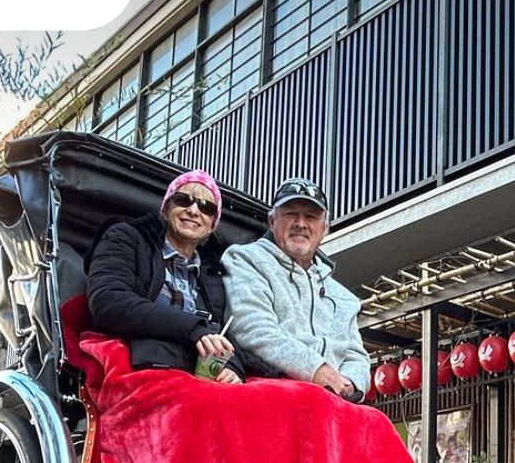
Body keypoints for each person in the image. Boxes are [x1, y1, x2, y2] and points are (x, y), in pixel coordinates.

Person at [86, 170, 243, 383]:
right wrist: (193, 328)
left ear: (212, 225)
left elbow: (224, 329)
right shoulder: (125, 237)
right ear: (167, 208)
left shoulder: (212, 271)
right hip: (138, 360)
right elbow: (108, 302)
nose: (194, 210)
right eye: (183, 200)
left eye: (206, 207)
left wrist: (232, 367)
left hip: (196, 371)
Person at [221, 177, 371, 399]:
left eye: (311, 216)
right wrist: (317, 370)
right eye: (291, 213)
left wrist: (349, 383)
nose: (301, 223)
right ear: (272, 221)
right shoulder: (245, 259)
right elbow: (253, 329)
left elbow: (357, 355)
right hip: (269, 384)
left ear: (325, 229)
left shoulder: (343, 297)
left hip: (334, 397)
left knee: (378, 424)